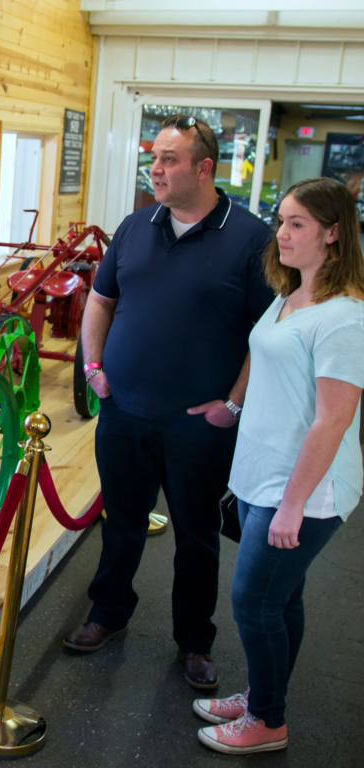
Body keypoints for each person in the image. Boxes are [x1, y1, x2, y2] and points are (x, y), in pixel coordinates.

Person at [62, 115, 275, 692]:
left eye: (169, 159)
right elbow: (101, 301)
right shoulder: (135, 226)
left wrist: (232, 405)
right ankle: (108, 612)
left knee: (196, 535)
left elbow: (266, 332)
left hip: (198, 425)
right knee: (122, 523)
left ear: (204, 168)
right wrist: (95, 367)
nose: (155, 168)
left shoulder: (252, 238)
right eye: (153, 157)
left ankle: (194, 642)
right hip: (125, 412)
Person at [195, 177, 364, 754]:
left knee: (254, 602)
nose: (282, 233)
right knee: (281, 600)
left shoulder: (345, 318)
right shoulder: (290, 295)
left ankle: (267, 721)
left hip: (304, 491)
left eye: (297, 224)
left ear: (334, 233)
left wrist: (292, 505)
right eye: (280, 220)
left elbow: (333, 421)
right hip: (262, 476)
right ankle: (266, 695)